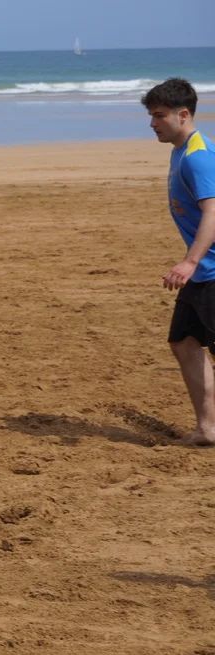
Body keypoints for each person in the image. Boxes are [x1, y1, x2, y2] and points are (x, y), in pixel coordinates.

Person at [148, 78, 215, 446]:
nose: (153, 123)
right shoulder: (181, 150)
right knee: (184, 341)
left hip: (210, 270)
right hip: (203, 273)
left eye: (160, 115)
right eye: (151, 115)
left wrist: (189, 262)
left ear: (183, 114)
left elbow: (213, 212)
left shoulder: (197, 156)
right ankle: (207, 429)